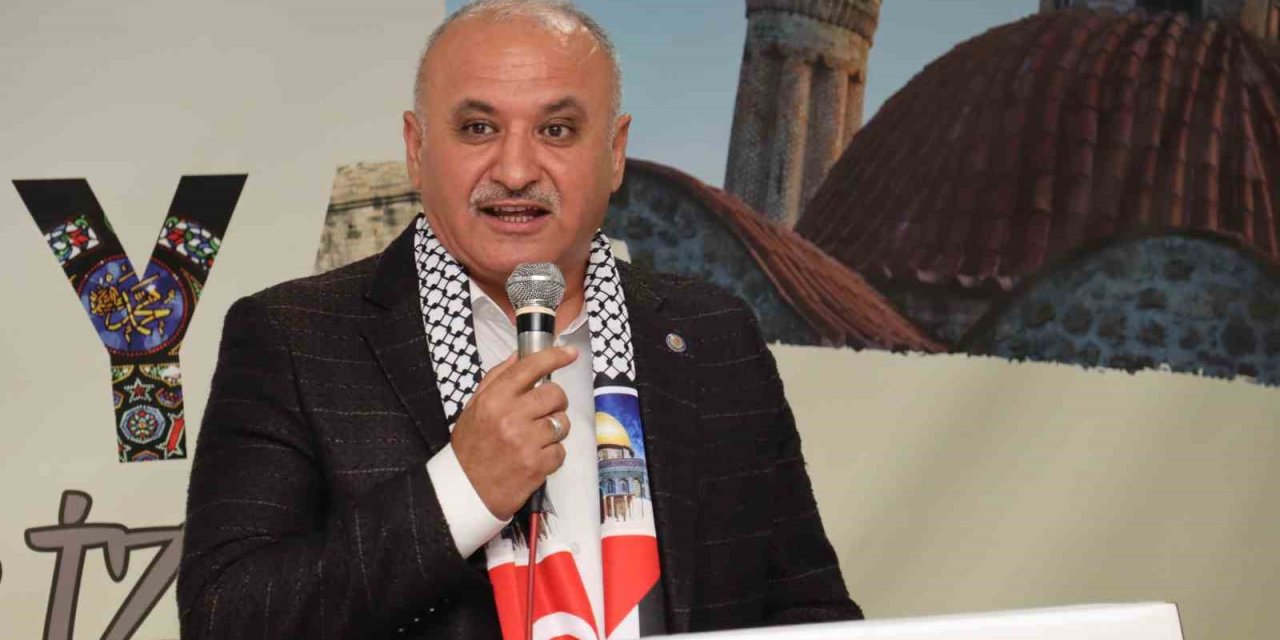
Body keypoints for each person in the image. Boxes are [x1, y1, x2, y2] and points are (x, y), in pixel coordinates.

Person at [177, 1, 861, 638]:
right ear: (416, 148)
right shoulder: (294, 338)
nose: (514, 170)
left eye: (556, 130)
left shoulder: (713, 336)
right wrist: (461, 491)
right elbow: (225, 618)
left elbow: (809, 608)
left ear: (614, 153)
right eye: (478, 128)